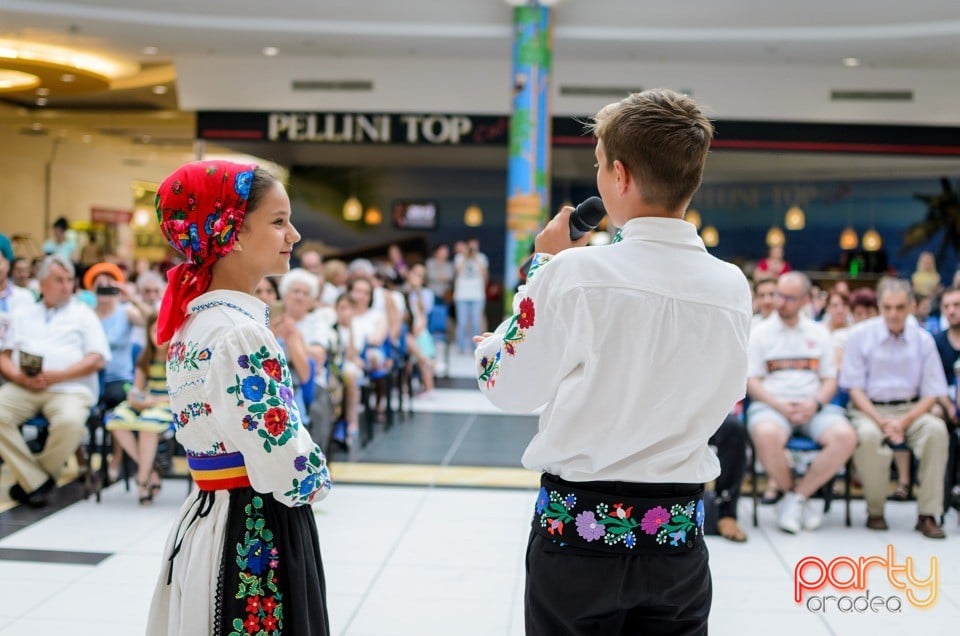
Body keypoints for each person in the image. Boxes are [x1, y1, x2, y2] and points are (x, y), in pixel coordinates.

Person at [475, 89, 751, 635]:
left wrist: (543, 268)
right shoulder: (732, 286)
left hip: (579, 540)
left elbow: (505, 384)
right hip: (678, 541)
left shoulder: (575, 275)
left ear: (619, 177)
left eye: (599, 165)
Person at [146, 160, 332, 635]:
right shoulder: (240, 332)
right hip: (255, 525)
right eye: (278, 221)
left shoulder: (195, 324)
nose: (293, 234)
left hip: (210, 515)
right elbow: (284, 458)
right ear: (231, 232)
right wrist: (315, 476)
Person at [746, 272, 857, 534]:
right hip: (773, 406)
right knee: (765, 433)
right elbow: (751, 381)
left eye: (788, 298)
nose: (780, 302)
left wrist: (815, 404)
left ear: (805, 300)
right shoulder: (759, 332)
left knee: (845, 436)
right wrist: (780, 406)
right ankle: (794, 496)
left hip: (814, 407)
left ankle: (797, 497)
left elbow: (830, 380)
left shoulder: (819, 334)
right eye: (778, 295)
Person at [839, 277, 949, 539]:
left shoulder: (924, 340)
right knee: (867, 437)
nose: (893, 314)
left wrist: (904, 422)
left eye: (900, 307)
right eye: (887, 307)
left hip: (912, 410)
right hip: (869, 410)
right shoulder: (860, 336)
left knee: (937, 432)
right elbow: (854, 388)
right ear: (879, 306)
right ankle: (875, 511)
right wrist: (881, 420)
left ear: (911, 306)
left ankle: (928, 513)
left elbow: (933, 392)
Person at [0, 254, 110, 507]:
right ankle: (37, 480)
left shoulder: (83, 314)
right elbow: (4, 356)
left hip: (70, 388)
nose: (66, 286)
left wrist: (58, 375)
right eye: (58, 280)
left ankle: (32, 480)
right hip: (25, 386)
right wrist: (19, 377)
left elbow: (97, 359)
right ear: (42, 284)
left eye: (69, 280)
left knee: (70, 422)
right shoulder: (24, 313)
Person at [105, 313, 172, 504]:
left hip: (167, 405)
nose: (159, 335)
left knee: (147, 425)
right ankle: (150, 470)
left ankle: (143, 481)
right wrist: (137, 400)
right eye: (154, 330)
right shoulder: (145, 358)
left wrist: (156, 400)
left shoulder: (176, 357)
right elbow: (136, 390)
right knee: (117, 420)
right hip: (148, 403)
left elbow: (179, 394)